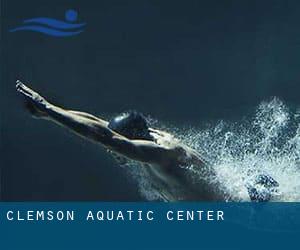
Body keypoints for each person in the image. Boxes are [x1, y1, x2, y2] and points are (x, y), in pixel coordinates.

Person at [15, 80, 277, 201]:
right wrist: (51, 113)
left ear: (132, 140)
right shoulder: (146, 139)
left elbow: (105, 137)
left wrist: (48, 109)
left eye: (115, 146)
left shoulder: (161, 154)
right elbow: (99, 126)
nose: (111, 151)